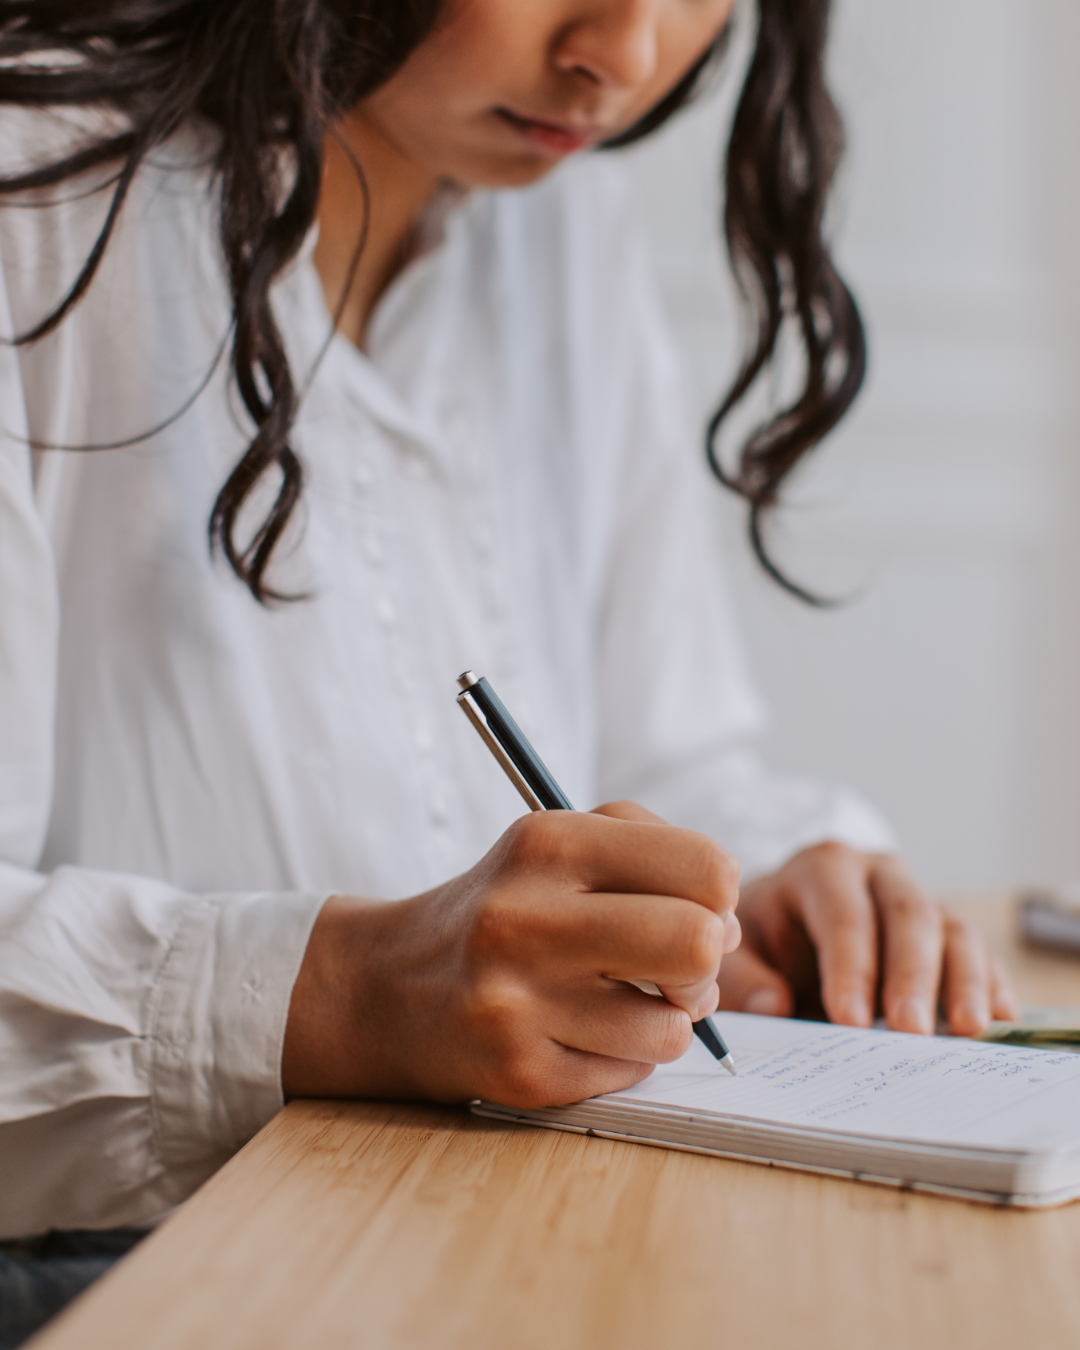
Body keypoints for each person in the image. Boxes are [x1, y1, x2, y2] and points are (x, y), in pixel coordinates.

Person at [0, 0, 1016, 1337]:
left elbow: (669, 756)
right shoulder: (35, 193)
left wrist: (764, 884)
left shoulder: (553, 219)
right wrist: (346, 992)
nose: (628, 58)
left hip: (479, 1247)